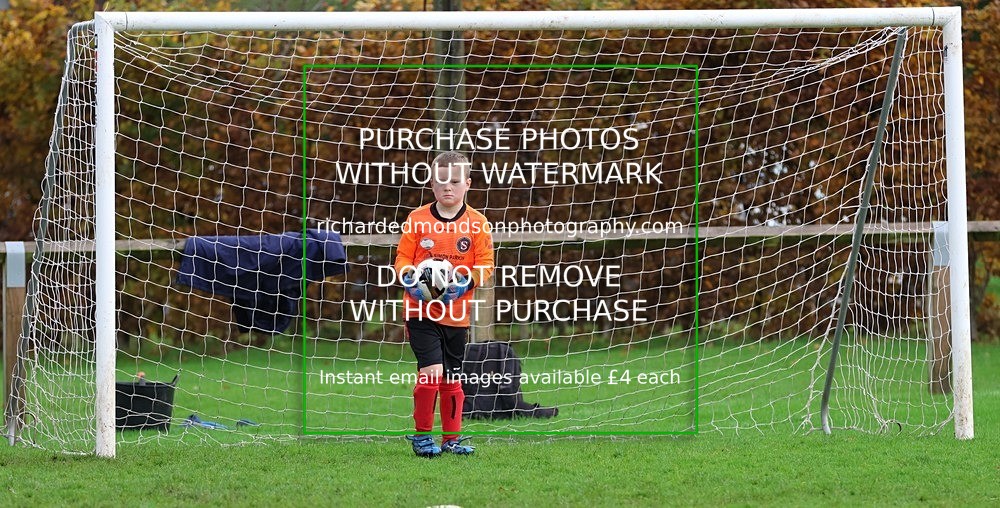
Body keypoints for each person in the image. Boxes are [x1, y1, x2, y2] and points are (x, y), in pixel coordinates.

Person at [393, 151, 495, 457]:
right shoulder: (417, 219)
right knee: (432, 372)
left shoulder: (477, 223)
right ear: (432, 185)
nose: (447, 187)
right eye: (440, 181)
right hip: (420, 312)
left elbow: (486, 264)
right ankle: (423, 437)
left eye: (454, 181)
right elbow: (402, 260)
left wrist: (465, 282)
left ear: (467, 184)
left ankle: (452, 440)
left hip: (457, 315)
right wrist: (410, 279)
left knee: (452, 378)